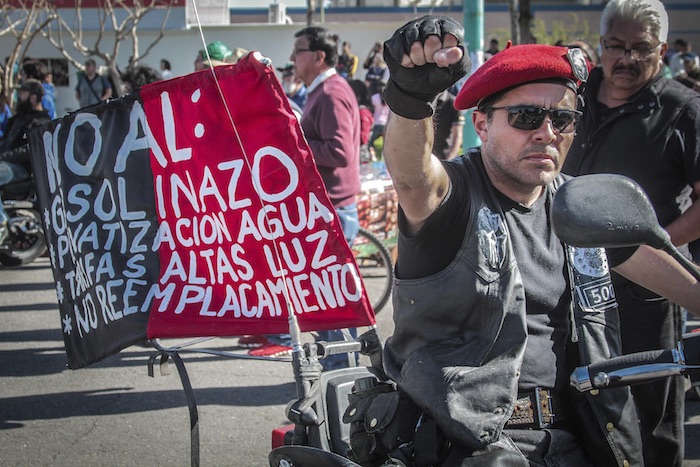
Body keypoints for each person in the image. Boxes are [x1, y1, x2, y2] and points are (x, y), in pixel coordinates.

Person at [378, 15, 700, 466]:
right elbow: (413, 176)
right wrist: (410, 98)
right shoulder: (455, 197)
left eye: (563, 119)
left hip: (583, 433)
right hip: (467, 440)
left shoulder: (579, 204)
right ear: (483, 124)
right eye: (526, 115)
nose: (547, 132)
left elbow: (665, 270)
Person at [561, 1, 700, 465]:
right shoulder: (569, 97)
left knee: (648, 415)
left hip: (643, 290)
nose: (626, 59)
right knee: (572, 406)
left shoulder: (682, 109)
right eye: (616, 46)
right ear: (601, 45)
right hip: (563, 285)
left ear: (661, 50)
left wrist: (656, 247)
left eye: (641, 48)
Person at [263, 25, 361, 368]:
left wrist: (294, 143)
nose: (292, 58)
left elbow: (340, 152)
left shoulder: (331, 92)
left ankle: (342, 391)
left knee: (331, 310)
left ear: (319, 56)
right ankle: (342, 390)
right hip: (329, 208)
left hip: (332, 209)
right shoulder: (325, 90)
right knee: (330, 307)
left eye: (298, 51)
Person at [0, 79, 51, 243]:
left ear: (33, 97)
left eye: (22, 93)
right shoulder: (17, 118)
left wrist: (3, 156)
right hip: (6, 164)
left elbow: (29, 150)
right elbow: (6, 141)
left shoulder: (42, 121)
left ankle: (1, 221)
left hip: (21, 169)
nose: (19, 96)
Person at [431, 88, 464, 160]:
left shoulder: (453, 103)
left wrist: (451, 157)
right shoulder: (424, 101)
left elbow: (458, 135)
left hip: (443, 155)